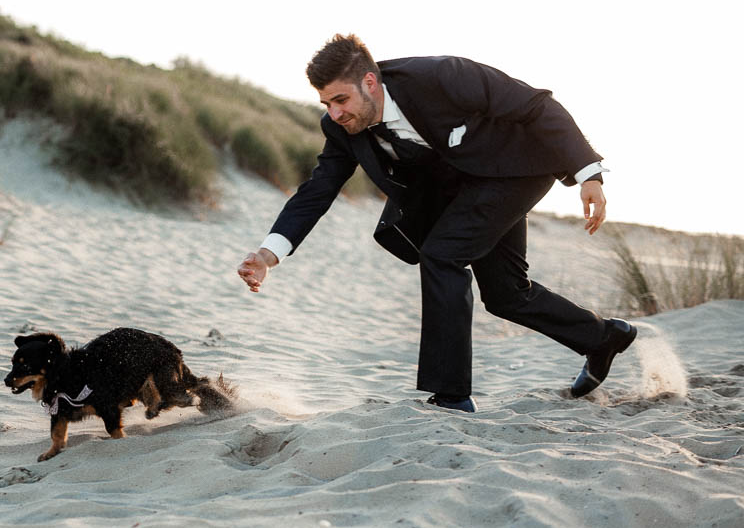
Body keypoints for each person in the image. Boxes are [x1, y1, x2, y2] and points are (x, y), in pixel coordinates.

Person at [237, 34, 636, 411]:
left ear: (370, 82)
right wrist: (269, 254)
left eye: (341, 100)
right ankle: (602, 338)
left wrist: (588, 175)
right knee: (506, 295)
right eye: (326, 103)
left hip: (515, 171)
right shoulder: (341, 128)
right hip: (464, 194)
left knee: (442, 256)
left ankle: (451, 397)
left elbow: (537, 105)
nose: (334, 113)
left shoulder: (442, 76)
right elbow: (317, 190)